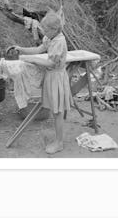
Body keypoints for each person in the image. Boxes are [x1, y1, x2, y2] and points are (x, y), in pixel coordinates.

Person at [13, 9, 73, 154]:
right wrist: (21, 49)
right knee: (54, 110)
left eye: (46, 29)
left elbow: (51, 63)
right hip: (51, 77)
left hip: (57, 78)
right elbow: (39, 49)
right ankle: (58, 140)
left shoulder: (59, 42)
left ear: (55, 29)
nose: (43, 32)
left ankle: (59, 143)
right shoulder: (50, 37)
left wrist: (33, 60)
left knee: (57, 112)